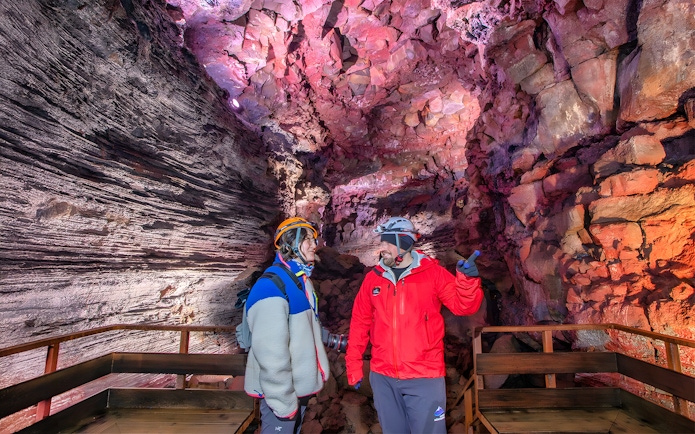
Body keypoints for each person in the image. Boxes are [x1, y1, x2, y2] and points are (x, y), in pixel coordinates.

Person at [345, 216, 483, 434]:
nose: (383, 248)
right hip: (383, 377)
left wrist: (467, 282)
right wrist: (354, 364)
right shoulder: (373, 279)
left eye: (389, 242)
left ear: (405, 243)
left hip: (425, 376)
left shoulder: (433, 274)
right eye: (383, 242)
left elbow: (463, 307)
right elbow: (360, 323)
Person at [244, 217, 330, 434]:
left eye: (314, 239)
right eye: (307, 240)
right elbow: (271, 355)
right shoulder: (271, 286)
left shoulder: (302, 281)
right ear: (289, 245)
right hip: (282, 400)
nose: (314, 245)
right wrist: (283, 404)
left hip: (297, 392)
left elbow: (306, 329)